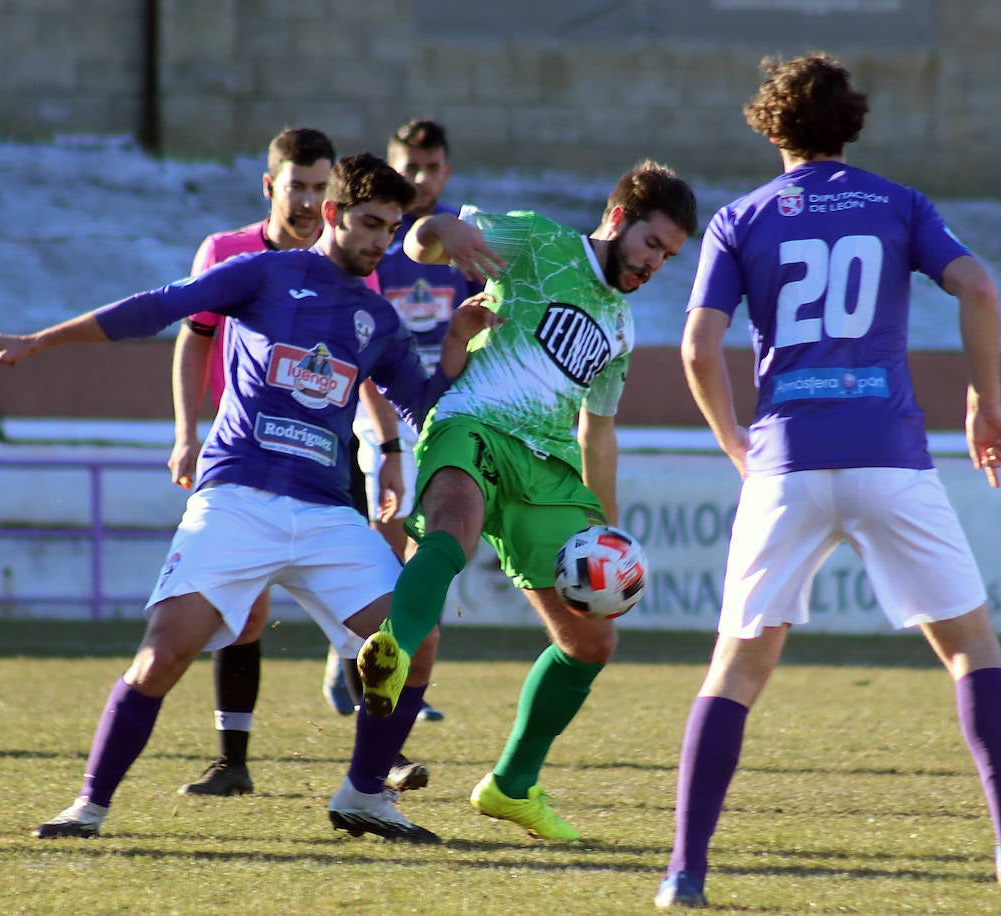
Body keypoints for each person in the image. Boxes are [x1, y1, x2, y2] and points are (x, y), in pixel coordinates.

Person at [653, 55, 1001, 907]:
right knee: (972, 648)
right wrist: (986, 401)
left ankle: (685, 871)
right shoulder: (899, 203)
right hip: (888, 456)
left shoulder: (741, 219)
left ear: (770, 124)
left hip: (786, 461)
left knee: (736, 670)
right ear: (853, 124)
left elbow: (696, 347)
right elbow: (977, 284)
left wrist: (738, 449)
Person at [0, 152, 499, 842]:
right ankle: (89, 807)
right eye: (370, 223)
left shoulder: (377, 317)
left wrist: (461, 338)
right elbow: (157, 308)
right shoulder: (266, 272)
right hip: (238, 497)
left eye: (391, 227)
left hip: (325, 513)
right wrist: (40, 341)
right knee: (164, 653)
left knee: (416, 637)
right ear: (334, 214)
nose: (379, 240)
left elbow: (428, 405)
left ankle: (365, 796)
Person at [354, 160, 698, 842]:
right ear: (617, 220)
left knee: (591, 639)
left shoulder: (622, 327)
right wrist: (441, 231)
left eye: (669, 255)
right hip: (475, 423)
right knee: (454, 519)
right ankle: (389, 652)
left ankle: (512, 785)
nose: (656, 262)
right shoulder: (541, 243)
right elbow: (424, 240)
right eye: (652, 244)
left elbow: (597, 432)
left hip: (549, 468)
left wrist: (608, 526)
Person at [166, 128, 426, 799]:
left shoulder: (354, 258)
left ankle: (378, 761)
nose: (308, 200)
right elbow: (192, 341)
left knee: (365, 599)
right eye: (298, 187)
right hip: (244, 452)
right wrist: (185, 432)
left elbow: (367, 357)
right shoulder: (230, 253)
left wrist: (388, 448)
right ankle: (233, 756)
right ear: (270, 185)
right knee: (244, 612)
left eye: (319, 187)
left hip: (327, 444)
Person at [320, 118, 482, 723]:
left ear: (447, 170)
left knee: (430, 551)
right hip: (382, 410)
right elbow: (361, 341)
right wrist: (384, 435)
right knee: (387, 553)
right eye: (410, 168)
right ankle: (359, 672)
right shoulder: (377, 245)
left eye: (432, 168)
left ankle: (399, 673)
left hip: (442, 404)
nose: (422, 179)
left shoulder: (459, 246)